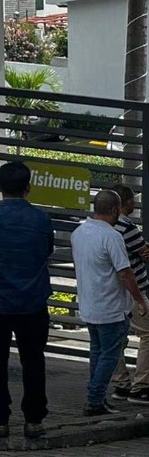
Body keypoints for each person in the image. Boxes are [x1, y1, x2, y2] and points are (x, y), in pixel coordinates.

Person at [72, 190, 147, 416]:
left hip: (89, 305)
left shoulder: (79, 232)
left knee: (97, 351)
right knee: (109, 356)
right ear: (115, 210)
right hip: (111, 307)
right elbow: (125, 273)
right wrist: (139, 299)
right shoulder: (111, 236)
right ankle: (95, 400)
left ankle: (95, 398)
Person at [0, 162, 53, 439]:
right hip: (32, 303)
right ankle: (33, 419)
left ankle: (0, 420)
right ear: (28, 188)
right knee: (33, 361)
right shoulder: (42, 220)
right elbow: (46, 252)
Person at [109, 185, 149, 406]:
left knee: (117, 338)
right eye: (132, 200)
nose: (135, 204)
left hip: (111, 292)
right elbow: (144, 252)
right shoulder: (127, 226)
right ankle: (141, 387)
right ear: (125, 203)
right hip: (133, 290)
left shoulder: (102, 226)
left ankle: (121, 383)